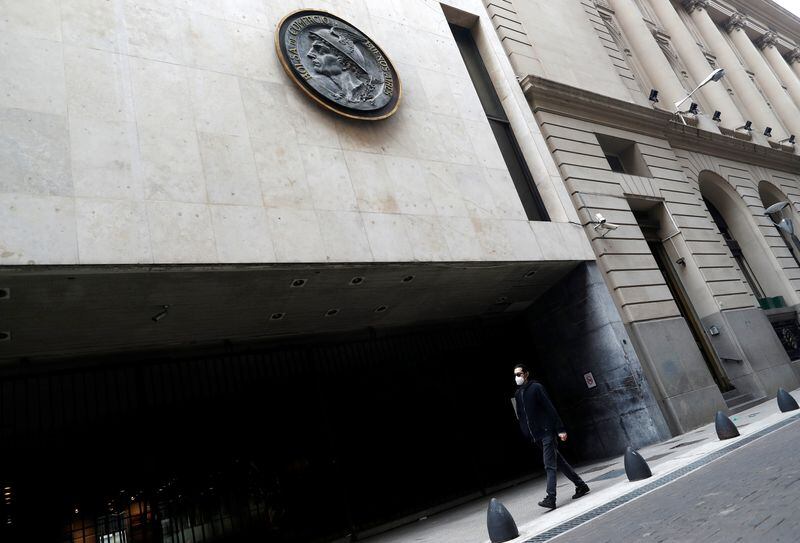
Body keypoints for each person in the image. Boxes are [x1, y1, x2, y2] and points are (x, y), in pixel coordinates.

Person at [513, 363, 590, 510]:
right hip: (536, 436)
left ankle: (551, 497)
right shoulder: (518, 394)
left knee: (549, 465)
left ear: (526, 374)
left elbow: (549, 408)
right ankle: (581, 485)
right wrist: (525, 431)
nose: (517, 377)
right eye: (515, 375)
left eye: (519, 374)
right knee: (559, 462)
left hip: (547, 432)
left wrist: (560, 429)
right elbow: (521, 416)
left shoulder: (536, 388)